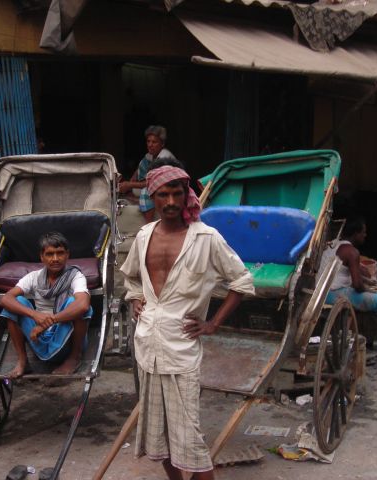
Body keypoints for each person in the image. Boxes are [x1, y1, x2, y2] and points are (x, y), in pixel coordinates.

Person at [120, 165, 254, 479]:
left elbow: (242, 282)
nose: (170, 201)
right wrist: (137, 297)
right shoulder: (143, 235)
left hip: (181, 351)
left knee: (189, 443)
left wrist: (213, 324)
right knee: (161, 439)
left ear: (185, 196)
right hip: (148, 349)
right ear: (151, 197)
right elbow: (131, 277)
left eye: (176, 193)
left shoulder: (206, 238)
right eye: (163, 194)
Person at [0, 232, 92, 377]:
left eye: (60, 253)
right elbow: (5, 299)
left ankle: (74, 358)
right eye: (49, 254)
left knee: (75, 303)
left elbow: (83, 305)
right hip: (39, 337)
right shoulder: (33, 277)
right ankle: (23, 361)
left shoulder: (76, 276)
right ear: (41, 257)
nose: (55, 259)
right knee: (15, 303)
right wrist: (34, 314)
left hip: (66, 338)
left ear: (67, 255)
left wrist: (48, 322)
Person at [318, 217, 377, 348]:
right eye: (363, 232)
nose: (365, 235)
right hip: (333, 294)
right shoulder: (352, 252)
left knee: (373, 297)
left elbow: (344, 273)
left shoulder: (332, 245)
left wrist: (368, 281)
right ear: (355, 234)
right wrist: (372, 291)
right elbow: (357, 286)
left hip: (321, 292)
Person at [118, 125, 178, 222]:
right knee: (144, 162)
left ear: (162, 144)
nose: (150, 145)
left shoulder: (164, 157)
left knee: (146, 191)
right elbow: (139, 168)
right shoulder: (150, 156)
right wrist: (129, 183)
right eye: (148, 141)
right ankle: (135, 198)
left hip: (171, 188)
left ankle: (149, 224)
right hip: (157, 186)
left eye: (154, 142)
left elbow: (153, 182)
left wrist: (129, 185)